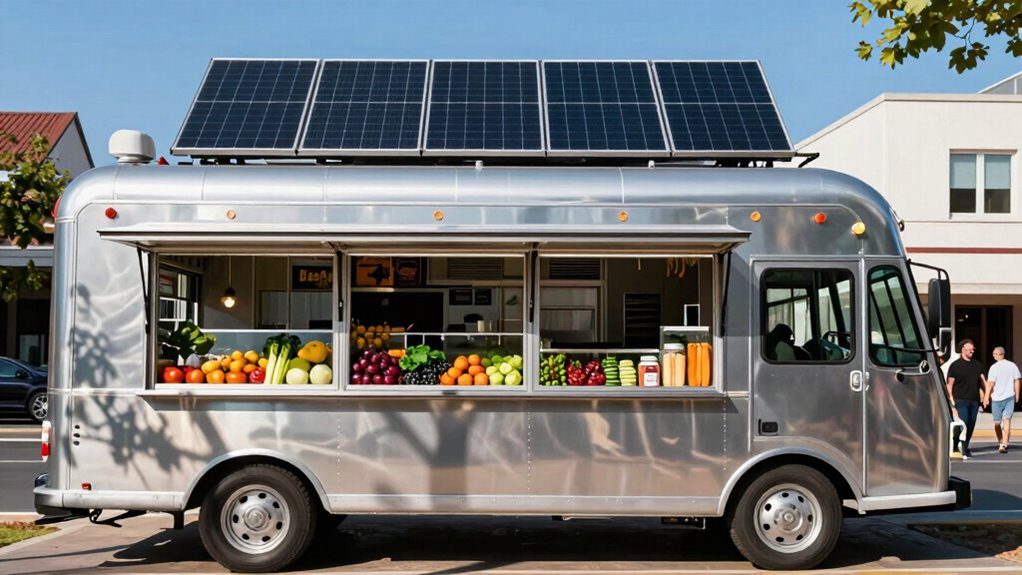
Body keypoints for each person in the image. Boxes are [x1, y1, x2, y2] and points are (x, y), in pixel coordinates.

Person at [946, 339, 987, 459]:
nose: (972, 351)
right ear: (963, 350)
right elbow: (949, 384)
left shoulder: (977, 365)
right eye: (969, 349)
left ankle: (965, 446)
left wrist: (986, 396)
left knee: (971, 423)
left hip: (974, 399)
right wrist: (951, 398)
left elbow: (982, 381)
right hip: (960, 398)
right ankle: (961, 448)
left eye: (973, 349)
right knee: (964, 421)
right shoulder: (955, 365)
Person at [984, 346, 1021, 454]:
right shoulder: (1012, 365)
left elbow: (990, 383)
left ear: (996, 354)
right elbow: (1017, 380)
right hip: (1008, 397)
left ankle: (1003, 443)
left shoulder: (993, 368)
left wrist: (986, 397)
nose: (993, 356)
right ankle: (1003, 443)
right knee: (1004, 422)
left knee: (1001, 422)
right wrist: (1017, 394)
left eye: (994, 354)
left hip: (998, 399)